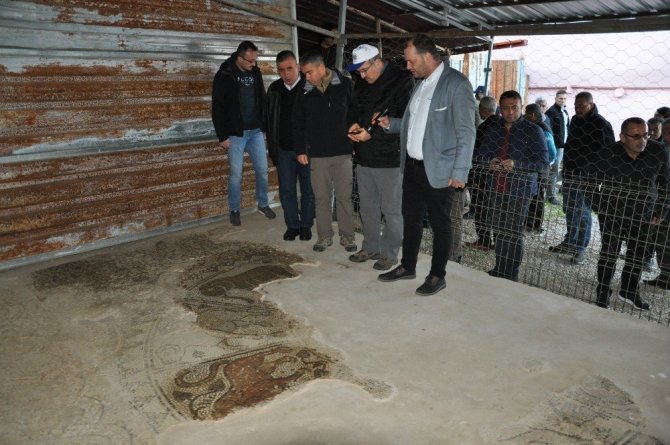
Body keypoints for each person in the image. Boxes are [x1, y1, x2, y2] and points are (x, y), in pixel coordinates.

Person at [376, 34, 476, 296]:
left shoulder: (456, 84)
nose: (408, 66)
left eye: (411, 61)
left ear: (428, 56)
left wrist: (460, 171)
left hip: (440, 170)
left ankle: (437, 275)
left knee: (441, 224)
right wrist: (391, 124)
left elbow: (466, 132)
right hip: (412, 166)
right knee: (411, 219)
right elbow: (417, 125)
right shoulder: (420, 84)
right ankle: (407, 266)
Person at [587, 117, 670, 310]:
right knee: (609, 253)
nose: (642, 141)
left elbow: (666, 183)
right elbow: (588, 181)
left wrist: (661, 210)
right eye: (636, 136)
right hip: (613, 213)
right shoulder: (607, 153)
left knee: (637, 256)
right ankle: (603, 291)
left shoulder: (658, 151)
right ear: (622, 137)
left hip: (645, 215)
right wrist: (599, 206)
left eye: (645, 135)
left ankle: (629, 291)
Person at [345, 44, 413, 270]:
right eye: (358, 73)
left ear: (377, 61)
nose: (362, 76)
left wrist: (373, 132)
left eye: (364, 70)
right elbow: (353, 108)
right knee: (367, 207)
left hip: (390, 158)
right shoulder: (362, 82)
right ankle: (370, 247)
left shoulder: (402, 80)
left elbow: (407, 120)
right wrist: (353, 124)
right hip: (364, 157)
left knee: (392, 211)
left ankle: (389, 253)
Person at [476, 91, 549, 281]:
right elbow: (480, 155)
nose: (510, 112)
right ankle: (500, 268)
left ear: (521, 107)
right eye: (506, 108)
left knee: (513, 231)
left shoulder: (533, 131)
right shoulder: (493, 128)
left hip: (520, 189)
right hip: (496, 185)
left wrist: (516, 165)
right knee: (499, 229)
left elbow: (543, 163)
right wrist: (489, 162)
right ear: (500, 109)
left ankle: (511, 274)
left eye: (514, 107)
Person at [292, 52, 358, 253]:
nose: (306, 77)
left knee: (344, 197)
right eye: (304, 73)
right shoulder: (304, 90)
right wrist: (301, 149)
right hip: (318, 155)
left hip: (343, 152)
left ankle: (347, 236)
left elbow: (355, 111)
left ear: (321, 68)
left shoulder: (345, 85)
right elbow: (297, 122)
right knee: (321, 198)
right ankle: (324, 236)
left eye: (309, 72)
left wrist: (353, 137)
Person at [211, 40, 276, 226]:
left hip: (255, 131)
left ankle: (263, 204)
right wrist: (222, 136)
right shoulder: (224, 74)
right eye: (250, 61)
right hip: (235, 134)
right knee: (236, 175)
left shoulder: (255, 72)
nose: (253, 64)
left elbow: (261, 97)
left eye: (255, 60)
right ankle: (234, 209)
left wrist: (265, 125)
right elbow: (217, 107)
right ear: (239, 58)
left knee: (262, 171)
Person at [548, 91, 614, 265]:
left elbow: (608, 152)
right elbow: (571, 144)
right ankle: (570, 241)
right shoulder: (576, 120)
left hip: (588, 176)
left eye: (582, 106)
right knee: (570, 208)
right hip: (571, 172)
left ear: (591, 105)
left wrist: (598, 175)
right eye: (576, 106)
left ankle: (580, 248)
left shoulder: (601, 124)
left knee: (583, 211)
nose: (577, 109)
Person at [264, 50, 315, 241]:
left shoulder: (310, 87)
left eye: (289, 68)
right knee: (286, 189)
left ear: (298, 67)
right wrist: (273, 148)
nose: (285, 74)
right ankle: (292, 225)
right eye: (281, 70)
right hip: (284, 150)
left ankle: (306, 225)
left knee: (308, 189)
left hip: (307, 150)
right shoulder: (274, 89)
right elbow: (269, 120)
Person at [466, 95, 498, 250]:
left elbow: (477, 153)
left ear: (482, 110)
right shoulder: (503, 125)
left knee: (481, 208)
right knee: (496, 209)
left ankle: (483, 240)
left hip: (482, 175)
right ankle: (497, 241)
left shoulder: (483, 128)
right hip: (499, 175)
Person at [524, 103, 557, 232]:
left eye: (527, 114)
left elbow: (552, 153)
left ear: (532, 115)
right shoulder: (533, 127)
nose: (525, 116)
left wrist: (544, 165)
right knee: (531, 196)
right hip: (533, 168)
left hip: (540, 170)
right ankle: (528, 222)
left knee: (538, 197)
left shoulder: (543, 130)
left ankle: (536, 225)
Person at [545, 90, 570, 206]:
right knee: (554, 170)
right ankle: (550, 195)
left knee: (563, 169)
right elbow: (549, 130)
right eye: (560, 98)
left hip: (564, 145)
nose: (563, 101)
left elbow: (567, 128)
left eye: (564, 99)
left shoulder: (565, 112)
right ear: (555, 99)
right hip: (556, 146)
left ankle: (560, 189)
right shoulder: (551, 112)